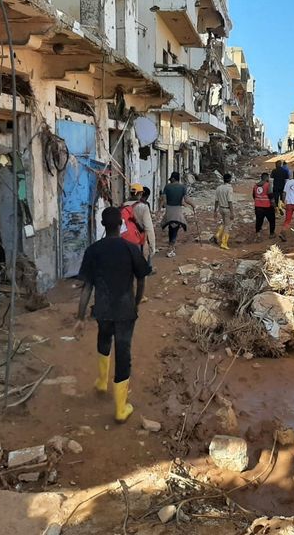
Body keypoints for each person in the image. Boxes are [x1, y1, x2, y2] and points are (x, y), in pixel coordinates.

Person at [75, 207, 149, 423]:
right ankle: (120, 409)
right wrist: (136, 302)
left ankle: (101, 381)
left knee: (103, 338)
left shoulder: (93, 250)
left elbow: (87, 287)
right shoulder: (131, 248)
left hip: (103, 309)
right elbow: (142, 278)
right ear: (121, 224)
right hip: (125, 310)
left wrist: (80, 318)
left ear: (102, 224)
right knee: (123, 353)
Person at [121, 183, 156, 275]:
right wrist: (152, 244)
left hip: (127, 238)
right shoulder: (143, 207)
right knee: (143, 256)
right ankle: (145, 271)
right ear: (140, 194)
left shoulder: (123, 205)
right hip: (140, 238)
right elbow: (148, 227)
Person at [160, 171, 195, 258]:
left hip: (169, 210)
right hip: (177, 211)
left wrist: (162, 206)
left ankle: (171, 245)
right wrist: (193, 205)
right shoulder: (183, 187)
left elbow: (164, 201)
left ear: (173, 178)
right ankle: (171, 246)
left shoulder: (167, 187)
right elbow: (186, 200)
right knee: (175, 228)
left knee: (171, 228)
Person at [214, 173, 235, 250]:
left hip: (220, 208)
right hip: (227, 209)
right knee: (227, 226)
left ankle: (218, 235)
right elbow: (230, 201)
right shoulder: (229, 188)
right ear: (229, 179)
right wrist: (232, 212)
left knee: (224, 222)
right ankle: (224, 243)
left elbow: (216, 200)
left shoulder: (219, 188)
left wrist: (215, 210)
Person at [253, 172, 276, 240]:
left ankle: (258, 235)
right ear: (266, 178)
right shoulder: (267, 185)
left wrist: (258, 200)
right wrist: (274, 205)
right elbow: (270, 195)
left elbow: (254, 196)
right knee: (272, 220)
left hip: (258, 206)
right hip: (267, 206)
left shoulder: (255, 186)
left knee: (259, 221)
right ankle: (271, 234)